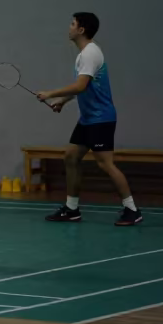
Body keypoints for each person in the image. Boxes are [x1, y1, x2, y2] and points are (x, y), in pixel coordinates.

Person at [37, 13, 142, 226]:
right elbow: (84, 87)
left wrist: (51, 94)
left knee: (105, 164)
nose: (69, 27)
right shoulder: (83, 55)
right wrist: (63, 101)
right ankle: (72, 209)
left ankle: (132, 210)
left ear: (81, 30)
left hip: (100, 118)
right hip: (88, 118)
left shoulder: (90, 54)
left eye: (72, 24)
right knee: (71, 156)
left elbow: (80, 85)